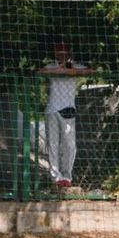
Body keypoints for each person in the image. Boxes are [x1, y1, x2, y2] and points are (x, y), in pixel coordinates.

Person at [37, 41, 88, 189]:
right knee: (52, 144)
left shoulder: (74, 66)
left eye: (64, 52)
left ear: (69, 53)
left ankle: (67, 175)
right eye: (59, 52)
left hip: (68, 109)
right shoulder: (52, 66)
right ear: (55, 53)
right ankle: (55, 177)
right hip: (52, 109)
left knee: (70, 145)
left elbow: (90, 71)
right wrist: (60, 68)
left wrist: (70, 70)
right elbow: (41, 72)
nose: (62, 55)